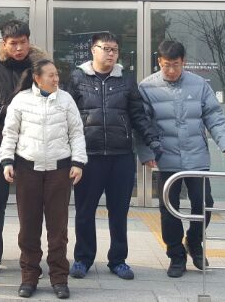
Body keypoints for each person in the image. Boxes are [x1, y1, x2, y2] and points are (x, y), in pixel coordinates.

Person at [66, 32, 161, 281]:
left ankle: (118, 260)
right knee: (85, 211)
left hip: (121, 157)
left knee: (119, 212)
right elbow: (67, 116)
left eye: (115, 49)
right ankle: (83, 259)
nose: (111, 53)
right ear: (93, 50)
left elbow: (138, 115)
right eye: (106, 48)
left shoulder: (126, 81)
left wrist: (152, 140)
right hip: (89, 156)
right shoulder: (77, 78)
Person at [137, 40, 225, 277]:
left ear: (184, 62)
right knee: (169, 209)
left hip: (196, 157)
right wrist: (147, 153)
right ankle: (176, 255)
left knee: (204, 203)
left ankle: (193, 241)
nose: (171, 70)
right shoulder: (147, 87)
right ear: (159, 62)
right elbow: (141, 124)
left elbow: (214, 116)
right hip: (165, 157)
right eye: (166, 65)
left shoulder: (199, 84)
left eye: (176, 65)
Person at [0, 60, 87, 300]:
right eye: (50, 75)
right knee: (28, 227)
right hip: (27, 170)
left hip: (60, 171)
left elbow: (76, 133)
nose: (56, 79)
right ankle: (29, 276)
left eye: (56, 74)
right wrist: (7, 161)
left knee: (58, 229)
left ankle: (59, 278)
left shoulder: (66, 100)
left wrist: (78, 162)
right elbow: (10, 133)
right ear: (37, 78)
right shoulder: (21, 100)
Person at [0, 20, 47, 276]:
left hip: (31, 144)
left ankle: (31, 258)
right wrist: (2, 110)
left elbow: (53, 95)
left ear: (29, 41)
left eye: (22, 42)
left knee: (32, 206)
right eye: (13, 43)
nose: (18, 48)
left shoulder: (39, 67)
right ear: (4, 44)